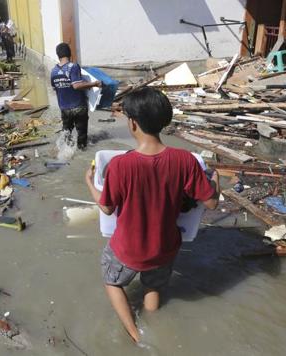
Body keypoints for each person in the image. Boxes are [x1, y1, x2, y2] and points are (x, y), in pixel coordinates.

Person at [84, 87, 221, 344]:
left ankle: (136, 335)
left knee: (111, 282)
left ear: (133, 123)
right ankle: (154, 323)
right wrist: (216, 180)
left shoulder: (120, 166)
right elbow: (211, 202)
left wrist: (90, 182)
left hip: (128, 249)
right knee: (153, 286)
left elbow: (107, 208)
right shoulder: (186, 161)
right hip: (165, 249)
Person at [50, 42, 101, 150]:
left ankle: (66, 151)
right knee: (81, 134)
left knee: (66, 132)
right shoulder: (73, 66)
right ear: (69, 53)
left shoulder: (53, 71)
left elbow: (55, 88)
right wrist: (94, 84)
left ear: (58, 55)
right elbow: (76, 85)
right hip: (78, 107)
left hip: (64, 108)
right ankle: (82, 150)